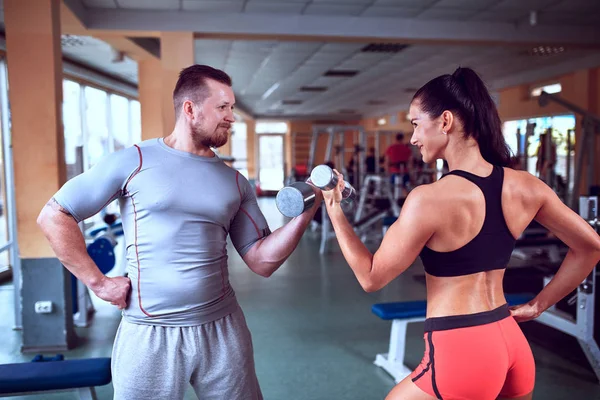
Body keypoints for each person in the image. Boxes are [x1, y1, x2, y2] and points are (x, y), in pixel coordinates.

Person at [37, 65, 323, 400]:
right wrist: (98, 282)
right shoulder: (135, 161)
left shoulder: (233, 181)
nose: (232, 117)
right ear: (190, 108)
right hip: (149, 334)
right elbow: (54, 214)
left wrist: (307, 211)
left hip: (222, 328)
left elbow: (262, 261)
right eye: (223, 107)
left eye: (232, 107)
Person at [322, 67, 600, 400]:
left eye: (415, 124)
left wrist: (334, 209)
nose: (412, 138)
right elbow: (590, 247)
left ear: (445, 121)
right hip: (512, 342)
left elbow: (371, 277)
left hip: (461, 347)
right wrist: (540, 305)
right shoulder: (526, 186)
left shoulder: (428, 199)